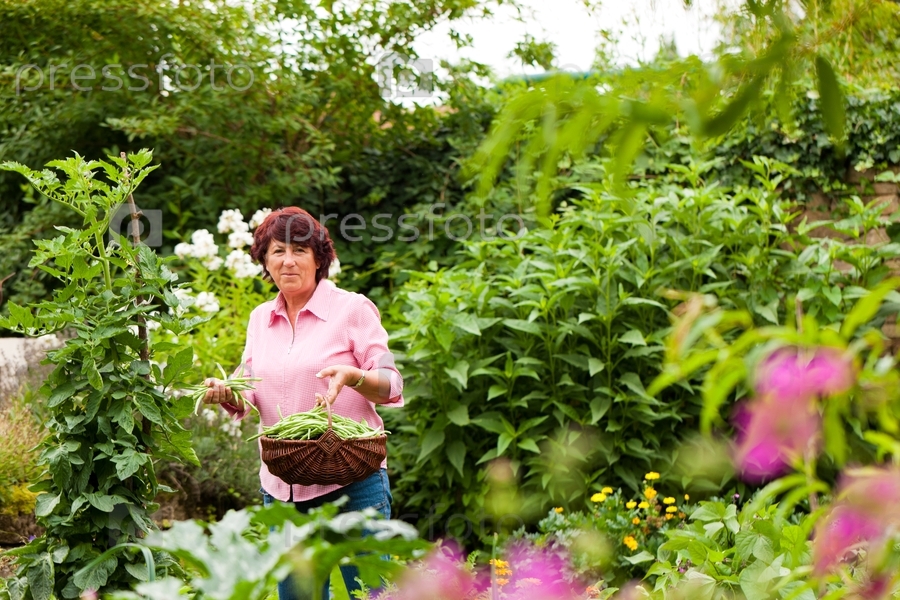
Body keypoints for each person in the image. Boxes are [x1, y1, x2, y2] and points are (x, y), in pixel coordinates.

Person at [202, 206, 404, 600]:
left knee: (372, 594)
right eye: (277, 251)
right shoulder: (261, 319)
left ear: (319, 258)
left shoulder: (352, 310)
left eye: (299, 250)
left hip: (354, 487)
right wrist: (226, 391)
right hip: (285, 490)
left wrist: (354, 376)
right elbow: (249, 387)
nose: (288, 261)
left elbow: (392, 383)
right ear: (265, 260)